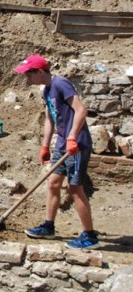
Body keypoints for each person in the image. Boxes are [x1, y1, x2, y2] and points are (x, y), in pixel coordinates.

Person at [14, 54, 99, 249]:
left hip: (76, 145)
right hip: (61, 145)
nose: (28, 79)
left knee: (75, 189)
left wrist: (71, 137)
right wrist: (45, 146)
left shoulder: (61, 84)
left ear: (41, 71)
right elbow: (49, 119)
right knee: (53, 183)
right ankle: (48, 227)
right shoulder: (46, 90)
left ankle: (90, 236)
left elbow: (81, 111)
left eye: (29, 75)